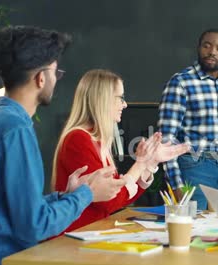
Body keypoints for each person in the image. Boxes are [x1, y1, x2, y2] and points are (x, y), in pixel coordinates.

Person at [0, 26, 125, 265]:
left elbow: (5, 208)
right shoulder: (15, 130)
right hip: (2, 262)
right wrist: (87, 194)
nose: (55, 79)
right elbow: (34, 225)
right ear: (41, 78)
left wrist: (66, 195)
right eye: (55, 72)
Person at [52, 69, 189, 232]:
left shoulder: (96, 140)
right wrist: (140, 164)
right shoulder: (78, 139)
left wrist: (150, 163)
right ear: (103, 99)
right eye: (121, 98)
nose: (124, 104)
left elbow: (121, 198)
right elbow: (110, 201)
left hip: (91, 234)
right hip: (74, 239)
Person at [158, 29, 218, 210]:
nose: (212, 52)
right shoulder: (181, 82)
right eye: (207, 46)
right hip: (194, 168)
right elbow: (167, 139)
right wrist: (176, 184)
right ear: (199, 48)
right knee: (194, 232)